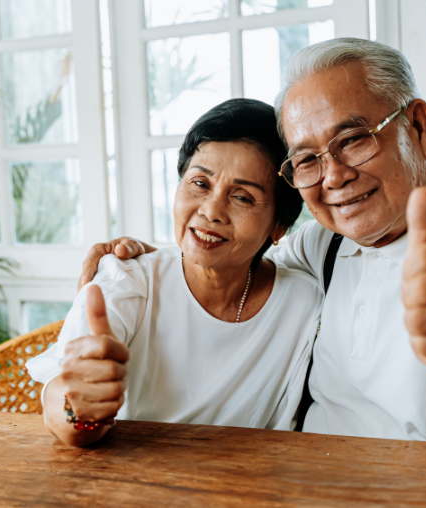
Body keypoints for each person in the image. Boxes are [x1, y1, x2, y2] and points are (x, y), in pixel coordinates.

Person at [80, 39, 426, 453]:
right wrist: (144, 263)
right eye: (307, 159)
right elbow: (236, 251)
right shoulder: (325, 244)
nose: (333, 178)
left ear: (420, 127)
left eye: (353, 139)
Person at [27, 99, 323, 447]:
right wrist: (80, 408)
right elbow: (61, 402)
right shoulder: (127, 280)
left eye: (242, 197)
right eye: (200, 183)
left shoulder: (304, 302)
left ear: (279, 226)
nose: (211, 210)